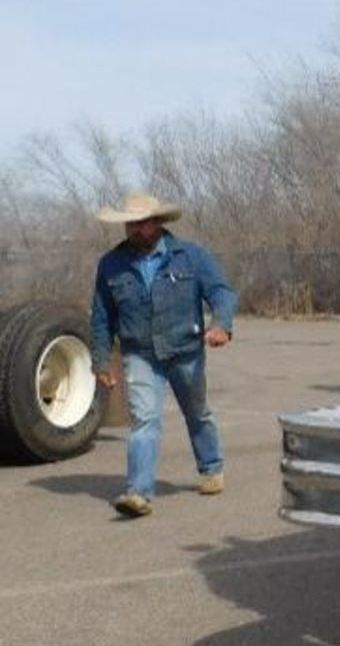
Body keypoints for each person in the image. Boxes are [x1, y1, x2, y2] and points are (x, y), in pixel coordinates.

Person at [88, 193, 236, 519]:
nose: (135, 229)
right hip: (140, 353)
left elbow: (221, 292)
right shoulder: (111, 264)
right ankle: (138, 492)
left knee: (197, 413)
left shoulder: (190, 256)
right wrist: (100, 360)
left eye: (142, 222)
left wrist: (221, 325)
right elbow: (100, 317)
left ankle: (211, 467)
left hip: (185, 349)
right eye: (131, 223)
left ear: (157, 223)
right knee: (144, 420)